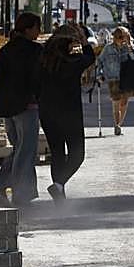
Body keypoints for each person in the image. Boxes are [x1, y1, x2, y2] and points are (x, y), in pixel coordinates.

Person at [0, 12, 43, 207]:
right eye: (37, 27)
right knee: (26, 151)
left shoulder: (6, 49)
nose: (39, 31)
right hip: (27, 107)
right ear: (28, 29)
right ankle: (15, 192)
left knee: (19, 149)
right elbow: (39, 78)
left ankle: (1, 185)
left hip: (7, 107)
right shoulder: (35, 50)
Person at [38, 23, 96, 200]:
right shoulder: (73, 61)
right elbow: (90, 57)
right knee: (77, 154)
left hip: (47, 111)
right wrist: (84, 40)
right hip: (69, 113)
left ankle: (59, 192)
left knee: (57, 153)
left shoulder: (42, 60)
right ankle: (59, 184)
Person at [97, 26, 134, 136]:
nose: (121, 39)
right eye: (119, 37)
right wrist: (99, 74)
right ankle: (117, 125)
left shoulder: (129, 47)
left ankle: (119, 124)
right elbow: (100, 61)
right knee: (116, 103)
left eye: (123, 37)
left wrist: (130, 45)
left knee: (124, 102)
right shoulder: (108, 48)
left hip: (126, 79)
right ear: (115, 37)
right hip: (113, 78)